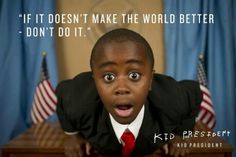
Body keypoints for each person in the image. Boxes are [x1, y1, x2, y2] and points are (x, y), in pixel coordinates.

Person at [56, 28, 202, 157]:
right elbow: (62, 91)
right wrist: (72, 135)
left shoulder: (172, 99)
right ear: (94, 83)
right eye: (109, 77)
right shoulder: (76, 100)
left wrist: (181, 134)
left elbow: (194, 91)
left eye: (134, 76)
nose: (122, 88)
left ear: (150, 80)